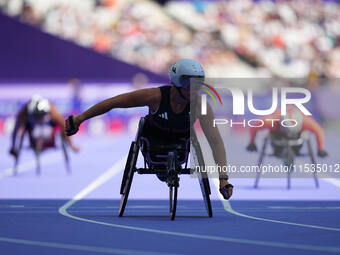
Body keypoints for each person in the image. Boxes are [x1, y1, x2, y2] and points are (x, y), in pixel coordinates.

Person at [65, 59, 233, 200]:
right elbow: (113, 102)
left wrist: (223, 179)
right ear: (175, 81)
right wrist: (79, 119)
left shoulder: (200, 105)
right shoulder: (155, 96)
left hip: (181, 147)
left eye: (198, 83)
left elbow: (216, 142)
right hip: (152, 146)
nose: (193, 88)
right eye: (188, 83)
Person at [9, 95, 80, 159]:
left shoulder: (53, 112)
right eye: (36, 116)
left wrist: (71, 146)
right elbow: (16, 129)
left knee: (49, 130)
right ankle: (35, 143)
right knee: (29, 128)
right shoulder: (24, 112)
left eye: (40, 116)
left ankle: (44, 143)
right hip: (32, 127)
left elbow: (64, 128)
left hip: (48, 127)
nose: (38, 119)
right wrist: (13, 146)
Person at [246, 106, 328, 158]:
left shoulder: (305, 121)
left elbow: (319, 130)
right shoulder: (271, 121)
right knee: (274, 140)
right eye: (287, 130)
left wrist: (320, 148)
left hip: (298, 135)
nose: (289, 134)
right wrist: (252, 142)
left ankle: (295, 150)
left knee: (304, 135)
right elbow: (254, 127)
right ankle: (278, 151)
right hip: (278, 134)